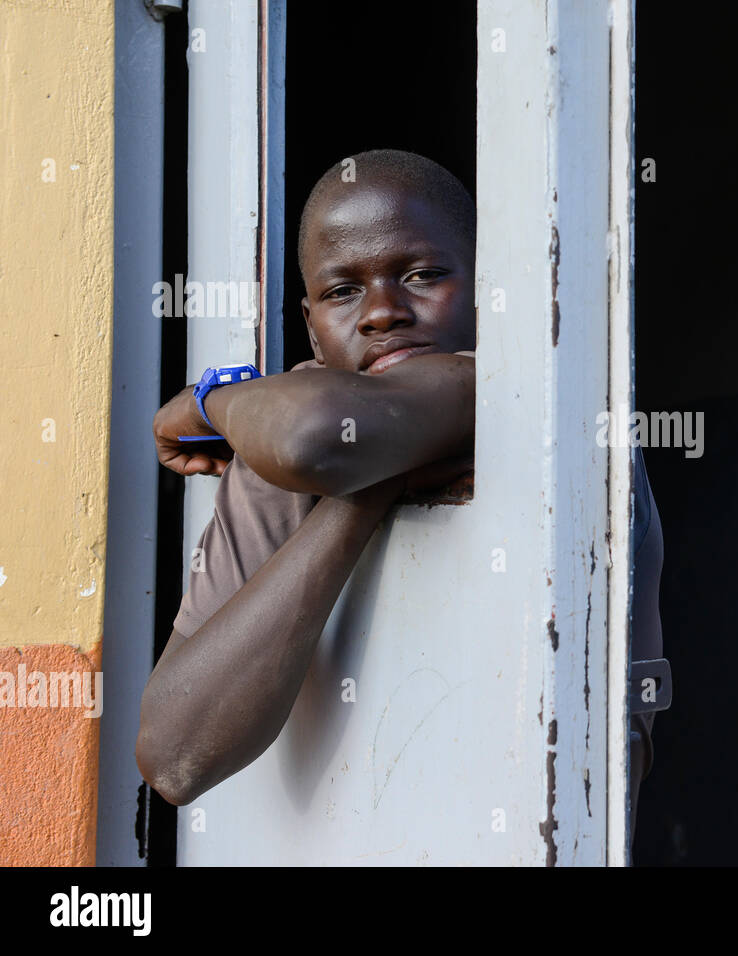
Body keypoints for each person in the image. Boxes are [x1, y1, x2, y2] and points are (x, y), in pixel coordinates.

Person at [136, 150, 662, 842]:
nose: (384, 312)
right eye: (342, 292)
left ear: (489, 287)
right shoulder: (286, 442)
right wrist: (363, 499)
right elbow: (174, 757)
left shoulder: (525, 392)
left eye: (422, 275)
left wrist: (215, 398)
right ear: (311, 327)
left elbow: (311, 437)